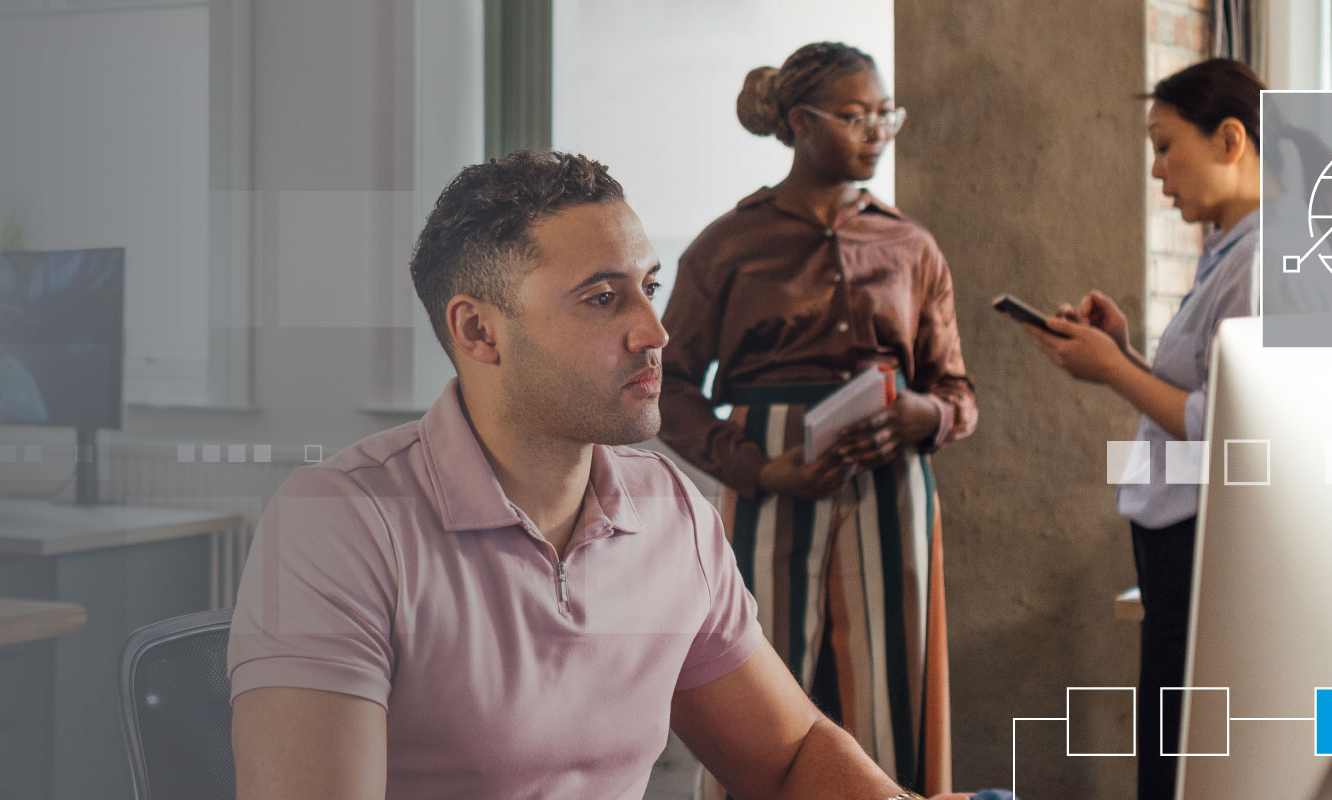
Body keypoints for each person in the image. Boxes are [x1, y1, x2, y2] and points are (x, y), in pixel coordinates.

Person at [227, 150, 985, 800]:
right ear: (478, 331)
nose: (655, 333)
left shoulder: (669, 512)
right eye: (602, 298)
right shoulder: (340, 524)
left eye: (648, 288)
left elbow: (788, 760)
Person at [655, 41, 975, 795]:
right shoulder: (728, 245)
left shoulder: (911, 244)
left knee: (895, 682)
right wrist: (756, 467)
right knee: (758, 680)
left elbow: (958, 393)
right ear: (801, 122)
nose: (878, 131)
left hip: (894, 485)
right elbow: (666, 386)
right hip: (767, 476)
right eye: (857, 116)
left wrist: (922, 415)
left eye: (885, 115)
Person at [1021, 57, 1266, 800]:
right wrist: (1122, 353)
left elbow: (1231, 428)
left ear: (1230, 138)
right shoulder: (1228, 251)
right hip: (1176, 539)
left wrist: (1113, 371)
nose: (1157, 171)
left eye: (1165, 146)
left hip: (1205, 543)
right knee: (1172, 740)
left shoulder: (1265, 261)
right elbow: (1200, 391)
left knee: (1185, 754)